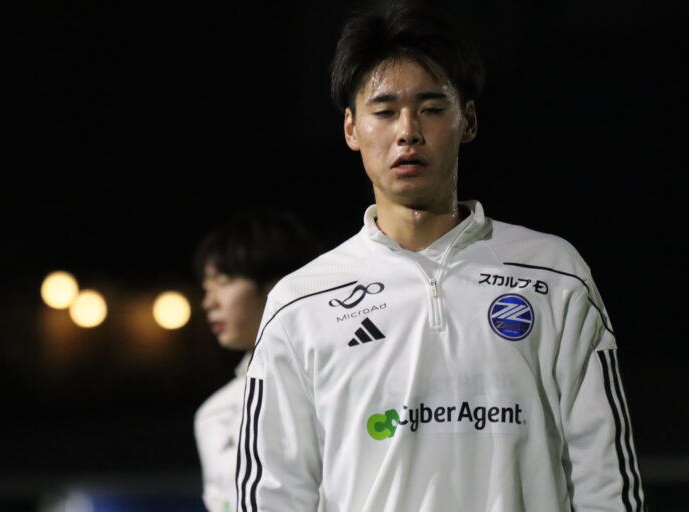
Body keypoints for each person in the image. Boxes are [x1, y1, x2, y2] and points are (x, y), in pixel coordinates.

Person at [235, 1, 646, 511]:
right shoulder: (302, 302)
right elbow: (274, 493)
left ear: (467, 120)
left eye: (431, 108)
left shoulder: (554, 274)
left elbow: (605, 476)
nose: (407, 130)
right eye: (384, 111)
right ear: (351, 129)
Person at [193, 211, 322, 512]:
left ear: (281, 283)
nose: (209, 302)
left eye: (223, 281)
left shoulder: (342, 378)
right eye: (206, 288)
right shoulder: (215, 415)